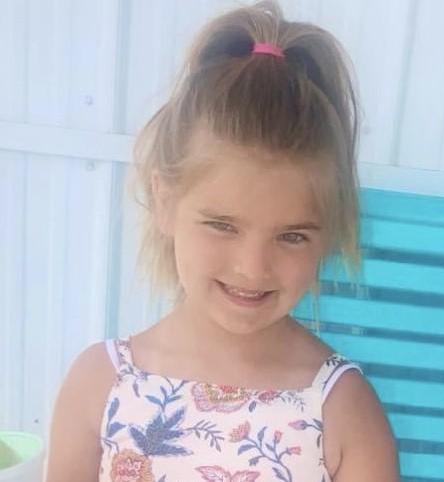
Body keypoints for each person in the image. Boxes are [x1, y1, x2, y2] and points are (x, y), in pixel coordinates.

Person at [46, 1, 400, 480]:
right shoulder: (100, 384)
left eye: (292, 236)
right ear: (165, 201)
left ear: (327, 235)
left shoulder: (343, 411)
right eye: (222, 225)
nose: (253, 267)